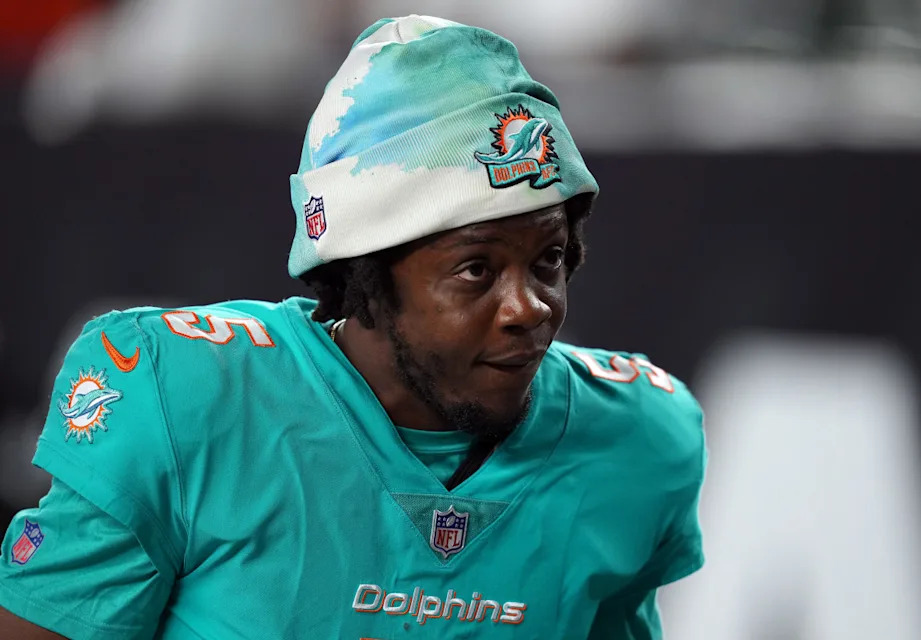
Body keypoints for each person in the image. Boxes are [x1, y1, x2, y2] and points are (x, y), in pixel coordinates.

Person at [0, 15, 706, 639]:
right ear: (368, 271)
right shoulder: (183, 400)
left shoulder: (639, 437)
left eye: (548, 259)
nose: (531, 307)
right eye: (476, 270)